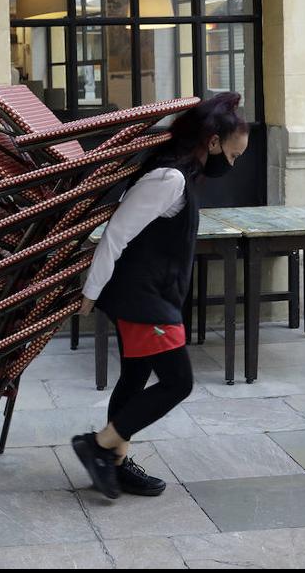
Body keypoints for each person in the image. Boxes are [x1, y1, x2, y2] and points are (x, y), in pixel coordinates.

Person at [71, 92, 249, 499]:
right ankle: (98, 447)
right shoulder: (169, 178)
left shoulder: (181, 173)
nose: (232, 164)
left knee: (135, 377)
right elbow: (116, 234)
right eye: (233, 155)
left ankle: (116, 464)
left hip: (151, 294)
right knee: (177, 383)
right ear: (214, 142)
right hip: (142, 298)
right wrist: (91, 291)